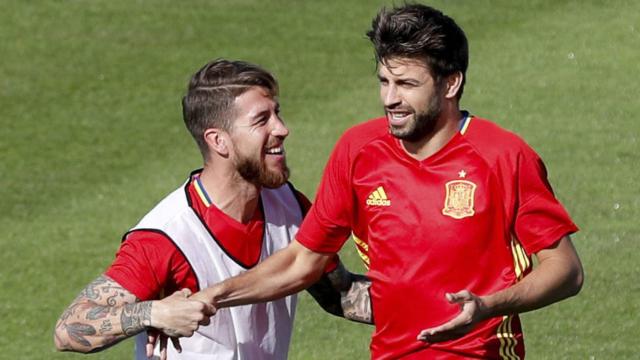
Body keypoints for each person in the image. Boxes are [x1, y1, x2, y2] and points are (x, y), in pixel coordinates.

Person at [189, 4, 584, 359]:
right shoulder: (359, 150)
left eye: (407, 85)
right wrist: (216, 295)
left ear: (450, 84)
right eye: (384, 81)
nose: (390, 99)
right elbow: (302, 260)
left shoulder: (503, 156)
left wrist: (489, 306)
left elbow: (565, 269)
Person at [54, 59, 372, 360]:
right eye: (262, 120)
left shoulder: (290, 207)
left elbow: (340, 294)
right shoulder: (168, 236)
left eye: (277, 113)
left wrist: (420, 299)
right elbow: (69, 328)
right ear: (219, 141)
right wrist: (154, 313)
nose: (282, 128)